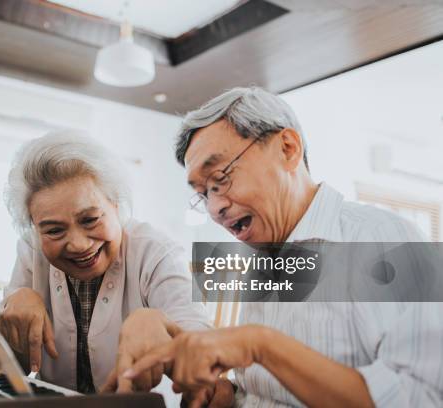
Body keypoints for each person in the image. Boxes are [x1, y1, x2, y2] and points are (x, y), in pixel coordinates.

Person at [125, 87, 443, 407]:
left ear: (288, 149)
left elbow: (422, 399)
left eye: (221, 177)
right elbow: (271, 392)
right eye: (204, 193)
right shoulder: (263, 258)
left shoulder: (385, 239)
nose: (214, 208)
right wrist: (229, 394)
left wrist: (260, 345)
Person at [0, 130, 210, 394]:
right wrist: (12, 308)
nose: (79, 244)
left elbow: (201, 343)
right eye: (54, 230)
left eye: (90, 219)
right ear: (34, 228)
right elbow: (6, 365)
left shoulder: (155, 251)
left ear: (115, 204)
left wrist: (159, 324)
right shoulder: (31, 250)